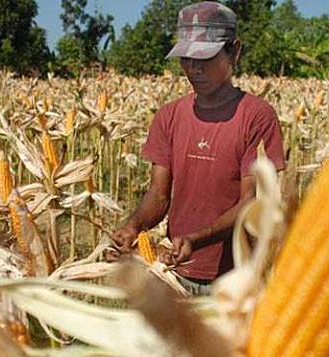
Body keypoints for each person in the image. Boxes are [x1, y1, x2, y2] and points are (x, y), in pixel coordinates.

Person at [110, 1, 285, 295]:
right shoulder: (169, 116)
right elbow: (158, 194)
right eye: (186, 58)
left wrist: (196, 239)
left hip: (236, 280)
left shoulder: (257, 116)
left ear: (235, 51)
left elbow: (250, 202)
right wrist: (134, 226)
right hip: (174, 272)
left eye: (204, 58)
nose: (193, 68)